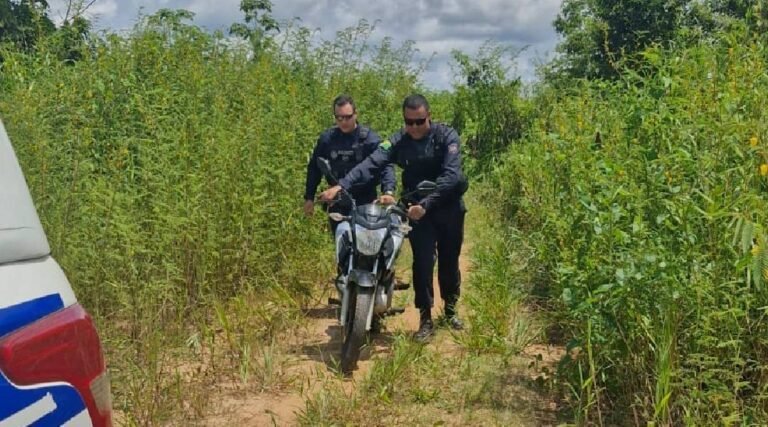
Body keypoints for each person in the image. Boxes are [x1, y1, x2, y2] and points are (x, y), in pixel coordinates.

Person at [320, 94, 468, 342]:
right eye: (409, 122)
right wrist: (341, 186)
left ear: (428, 116)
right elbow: (372, 162)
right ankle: (425, 318)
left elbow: (452, 176)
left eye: (419, 121)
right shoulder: (398, 141)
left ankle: (451, 311)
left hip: (447, 207)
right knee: (422, 262)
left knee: (449, 264)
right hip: (416, 209)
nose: (414, 128)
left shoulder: (446, 136)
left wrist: (427, 204)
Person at [303, 94, 395, 235]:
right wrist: (309, 197)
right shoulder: (327, 139)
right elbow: (314, 168)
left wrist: (388, 191)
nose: (343, 122)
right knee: (343, 245)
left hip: (365, 200)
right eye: (339, 118)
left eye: (347, 117)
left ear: (356, 114)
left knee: (367, 246)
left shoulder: (370, 139)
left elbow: (385, 165)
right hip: (338, 201)